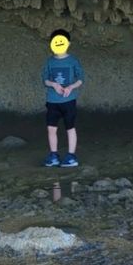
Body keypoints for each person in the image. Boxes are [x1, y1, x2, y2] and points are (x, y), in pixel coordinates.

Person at [41, 28, 84, 167]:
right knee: (51, 128)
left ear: (68, 43)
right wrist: (54, 84)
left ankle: (71, 156)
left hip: (68, 100)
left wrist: (71, 87)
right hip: (52, 100)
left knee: (70, 127)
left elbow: (81, 78)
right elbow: (45, 80)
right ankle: (54, 155)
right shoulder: (50, 61)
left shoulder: (73, 61)